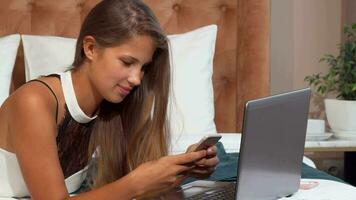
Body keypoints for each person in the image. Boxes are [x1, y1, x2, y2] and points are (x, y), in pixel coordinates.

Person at [0, 0, 219, 199]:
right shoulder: (34, 101)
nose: (136, 79)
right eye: (126, 62)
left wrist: (180, 169)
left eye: (144, 67)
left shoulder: (112, 104)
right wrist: (136, 183)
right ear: (91, 49)